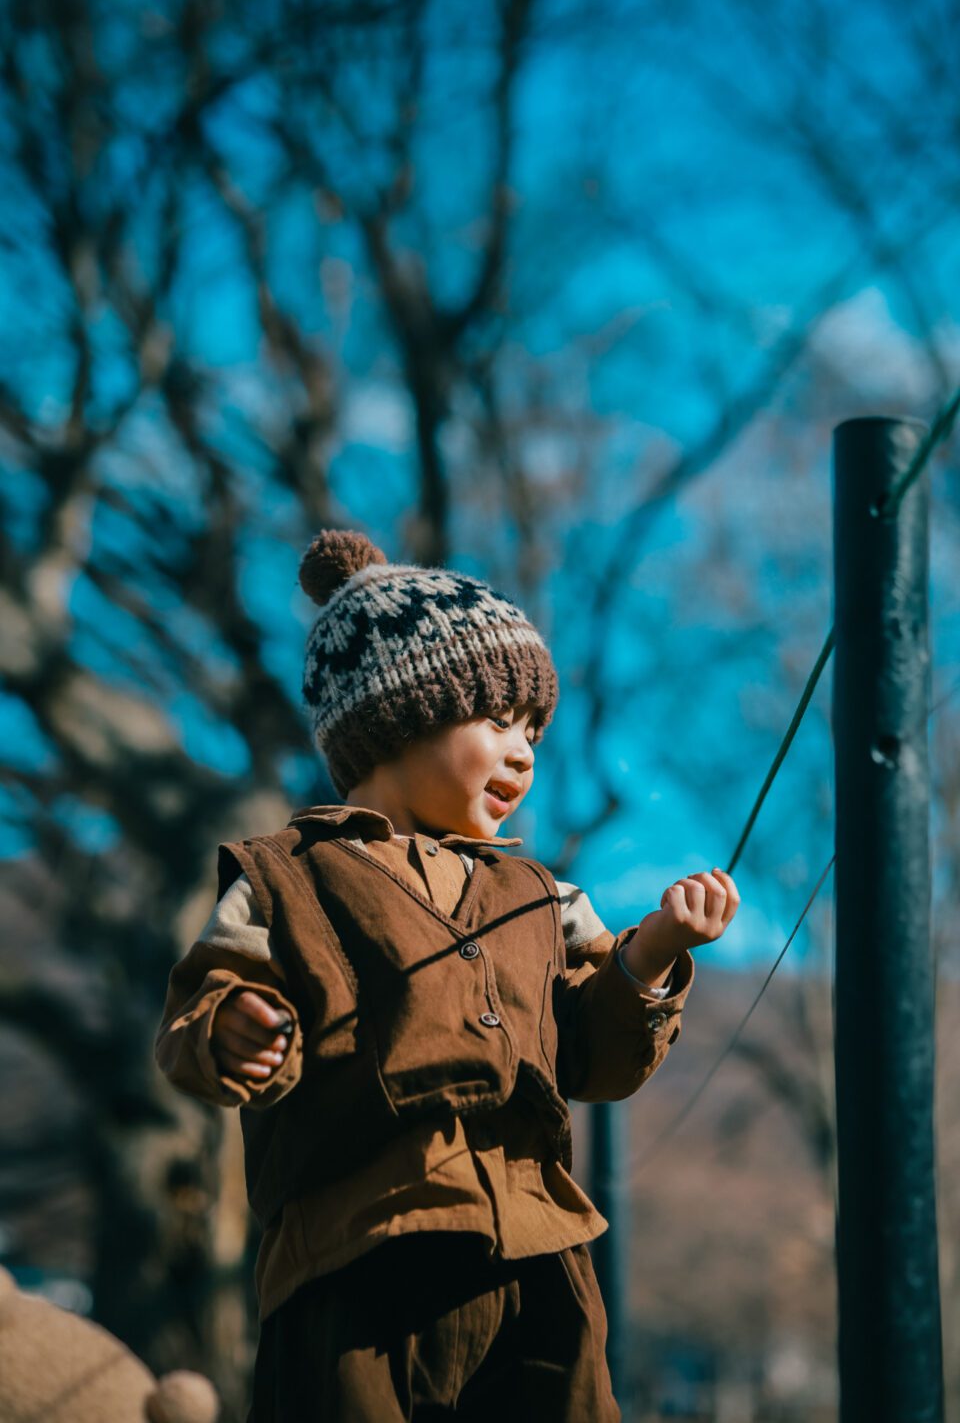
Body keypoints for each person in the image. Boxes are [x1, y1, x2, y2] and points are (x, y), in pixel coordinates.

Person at [155, 529, 740, 1422]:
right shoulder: (286, 877)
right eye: (498, 721)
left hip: (540, 1268)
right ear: (399, 718)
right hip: (355, 1273)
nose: (524, 752)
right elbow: (204, 1007)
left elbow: (595, 1061)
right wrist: (234, 1026)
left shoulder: (544, 898)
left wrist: (654, 951)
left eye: (533, 732)